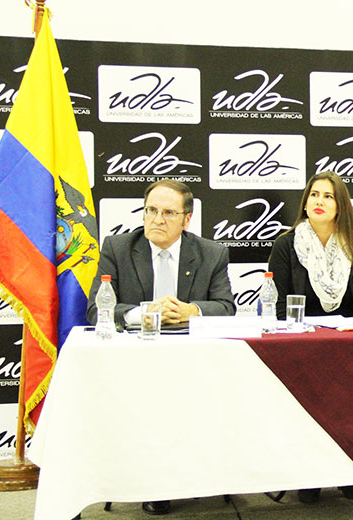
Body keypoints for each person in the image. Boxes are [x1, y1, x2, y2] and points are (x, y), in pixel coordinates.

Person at [86, 179, 234, 516]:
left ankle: (197, 475)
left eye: (168, 213)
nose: (157, 219)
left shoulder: (211, 253)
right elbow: (96, 310)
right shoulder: (118, 248)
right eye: (151, 210)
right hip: (135, 366)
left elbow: (226, 307)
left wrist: (191, 310)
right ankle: (154, 483)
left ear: (187, 219)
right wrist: (144, 313)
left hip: (194, 364)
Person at [267, 171, 353, 503]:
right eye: (314, 195)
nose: (319, 201)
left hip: (349, 346)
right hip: (302, 347)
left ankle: (347, 474)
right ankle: (311, 477)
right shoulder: (286, 245)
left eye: (328, 196)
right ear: (305, 202)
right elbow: (278, 304)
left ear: (340, 205)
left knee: (349, 406)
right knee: (309, 407)